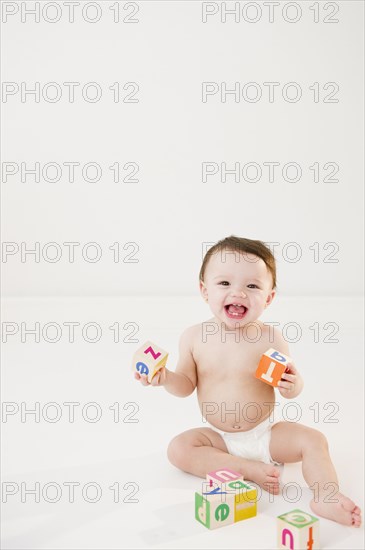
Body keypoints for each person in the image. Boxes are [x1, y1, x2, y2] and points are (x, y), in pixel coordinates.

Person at [134, 235, 361, 527]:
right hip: (220, 440)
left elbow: (289, 381)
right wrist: (165, 379)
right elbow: (186, 385)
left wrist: (294, 385)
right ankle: (247, 469)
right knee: (178, 449)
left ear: (269, 298)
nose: (239, 293)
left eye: (252, 286)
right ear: (204, 290)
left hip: (266, 435)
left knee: (313, 440)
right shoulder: (193, 337)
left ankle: (326, 495)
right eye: (225, 283)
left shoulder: (270, 337)